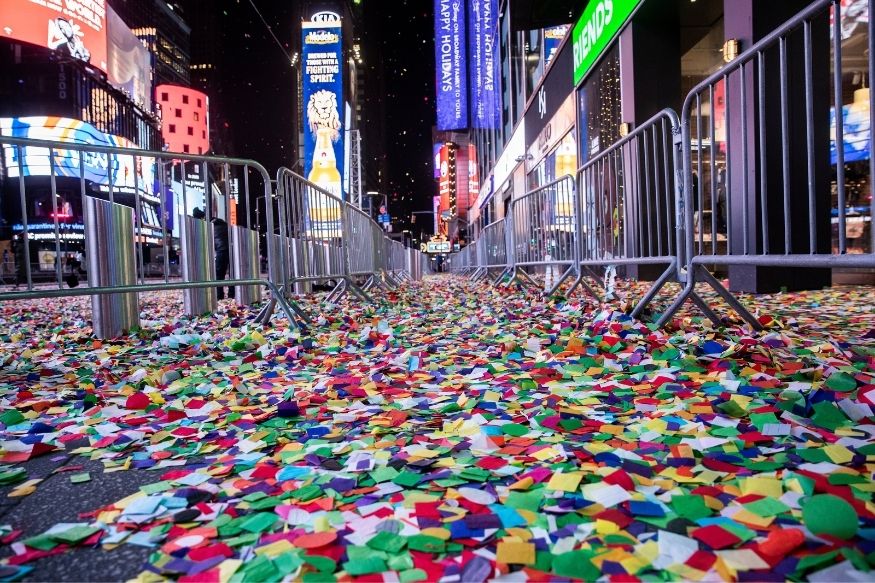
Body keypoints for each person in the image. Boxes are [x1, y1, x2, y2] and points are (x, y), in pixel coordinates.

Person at [212, 215, 233, 300]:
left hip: (220, 252)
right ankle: (232, 294)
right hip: (231, 251)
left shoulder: (213, 228)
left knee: (219, 275)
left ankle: (219, 295)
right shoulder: (226, 226)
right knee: (233, 274)